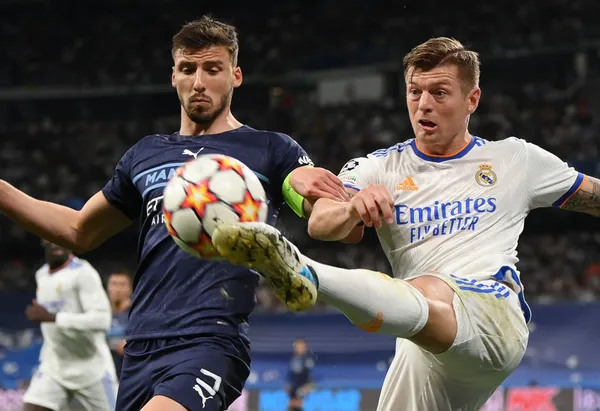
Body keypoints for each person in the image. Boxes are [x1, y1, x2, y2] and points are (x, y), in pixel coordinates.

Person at [211, 37, 600, 410]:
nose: (423, 105)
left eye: (440, 93)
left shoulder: (515, 159)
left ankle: (309, 273)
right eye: (415, 92)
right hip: (422, 339)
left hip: (494, 320)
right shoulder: (379, 167)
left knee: (426, 286)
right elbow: (321, 221)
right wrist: (352, 208)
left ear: (472, 100)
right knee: (418, 311)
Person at [0, 16, 346, 411]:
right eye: (187, 69)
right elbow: (79, 231)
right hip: (140, 346)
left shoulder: (271, 149)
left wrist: (339, 202)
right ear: (173, 76)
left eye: (212, 69)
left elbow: (320, 206)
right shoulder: (145, 154)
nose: (198, 81)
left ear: (235, 76)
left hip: (211, 341)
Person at [23, 240, 117, 411]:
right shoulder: (41, 275)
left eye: (62, 237)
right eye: (52, 237)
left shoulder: (83, 272)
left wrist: (53, 317)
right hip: (55, 367)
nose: (57, 242)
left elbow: (102, 320)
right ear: (43, 240)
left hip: (91, 369)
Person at [105, 270, 133, 380]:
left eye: (122, 284)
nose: (118, 289)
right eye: (114, 284)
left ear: (130, 289)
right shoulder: (100, 313)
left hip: (126, 370)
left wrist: (131, 343)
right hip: (104, 369)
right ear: (108, 288)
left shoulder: (137, 313)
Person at [285, 338, 315, 411]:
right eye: (298, 346)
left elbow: (313, 377)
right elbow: (289, 375)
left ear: (305, 348)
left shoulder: (309, 360)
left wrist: (309, 386)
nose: (300, 348)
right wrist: (287, 384)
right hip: (293, 389)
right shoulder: (291, 359)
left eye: (302, 346)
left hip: (303, 389)